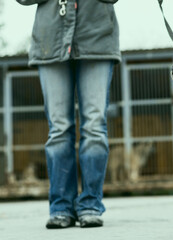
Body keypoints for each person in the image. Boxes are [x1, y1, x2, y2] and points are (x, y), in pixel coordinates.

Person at [16, 0, 120, 228]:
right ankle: (61, 207)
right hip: (50, 41)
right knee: (59, 129)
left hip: (97, 40)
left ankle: (91, 204)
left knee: (94, 126)